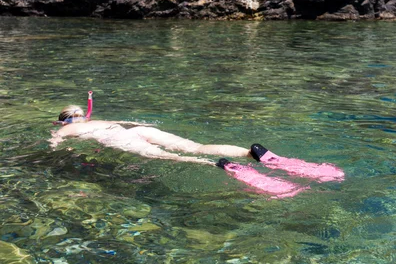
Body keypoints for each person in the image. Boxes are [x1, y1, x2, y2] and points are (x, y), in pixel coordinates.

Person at [50, 102, 345, 183]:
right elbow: (139, 124)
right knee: (195, 145)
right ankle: (252, 153)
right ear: (84, 115)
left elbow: (57, 143)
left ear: (65, 120)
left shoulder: (69, 129)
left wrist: (57, 148)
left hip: (115, 138)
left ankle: (224, 166)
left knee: (169, 158)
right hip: (137, 128)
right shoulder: (100, 120)